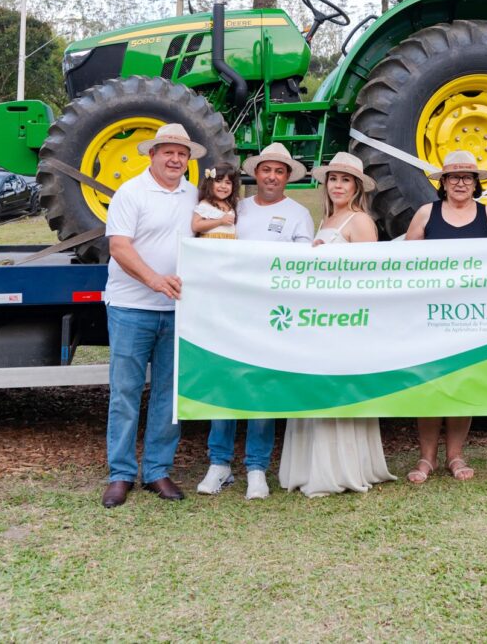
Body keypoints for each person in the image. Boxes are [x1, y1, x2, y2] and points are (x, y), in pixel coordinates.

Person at [197, 143, 314, 500]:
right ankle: (219, 465)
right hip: (230, 314)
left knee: (260, 389)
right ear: (256, 173)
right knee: (224, 385)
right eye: (266, 170)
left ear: (288, 177)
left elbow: (304, 267)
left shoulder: (298, 215)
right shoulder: (236, 208)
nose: (272, 177)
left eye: (280, 171)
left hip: (270, 318)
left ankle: (257, 468)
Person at [279, 152, 396, 498]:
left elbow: (369, 278)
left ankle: (341, 468)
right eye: (333, 179)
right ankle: (309, 466)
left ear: (357, 187)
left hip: (345, 323)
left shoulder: (359, 222)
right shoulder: (327, 221)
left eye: (345, 180)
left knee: (338, 391)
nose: (338, 185)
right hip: (319, 322)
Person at [101, 123, 206, 509]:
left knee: (168, 396)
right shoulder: (131, 193)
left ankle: (158, 470)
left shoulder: (193, 196)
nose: (176, 159)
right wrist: (156, 281)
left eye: (182, 154)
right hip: (132, 308)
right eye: (168, 152)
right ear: (153, 155)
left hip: (178, 310)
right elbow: (119, 248)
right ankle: (120, 474)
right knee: (125, 393)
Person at [404, 150, 487, 483]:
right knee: (430, 384)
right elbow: (404, 264)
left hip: (471, 318)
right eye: (453, 177)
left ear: (476, 183)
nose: (460, 183)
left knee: (463, 384)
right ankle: (426, 459)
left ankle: (456, 456)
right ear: (443, 183)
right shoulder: (425, 214)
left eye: (467, 178)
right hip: (430, 315)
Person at [193, 164, 240, 239]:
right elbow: (196, 226)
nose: (223, 186)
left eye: (228, 183)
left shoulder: (231, 204)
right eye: (218, 181)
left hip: (228, 246)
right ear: (210, 183)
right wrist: (220, 221)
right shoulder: (205, 204)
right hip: (211, 246)